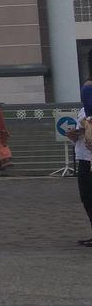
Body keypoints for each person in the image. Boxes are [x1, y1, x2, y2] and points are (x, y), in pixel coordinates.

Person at [69, 81, 92, 245]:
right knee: (87, 197)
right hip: (84, 158)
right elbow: (79, 135)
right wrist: (74, 135)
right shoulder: (83, 111)